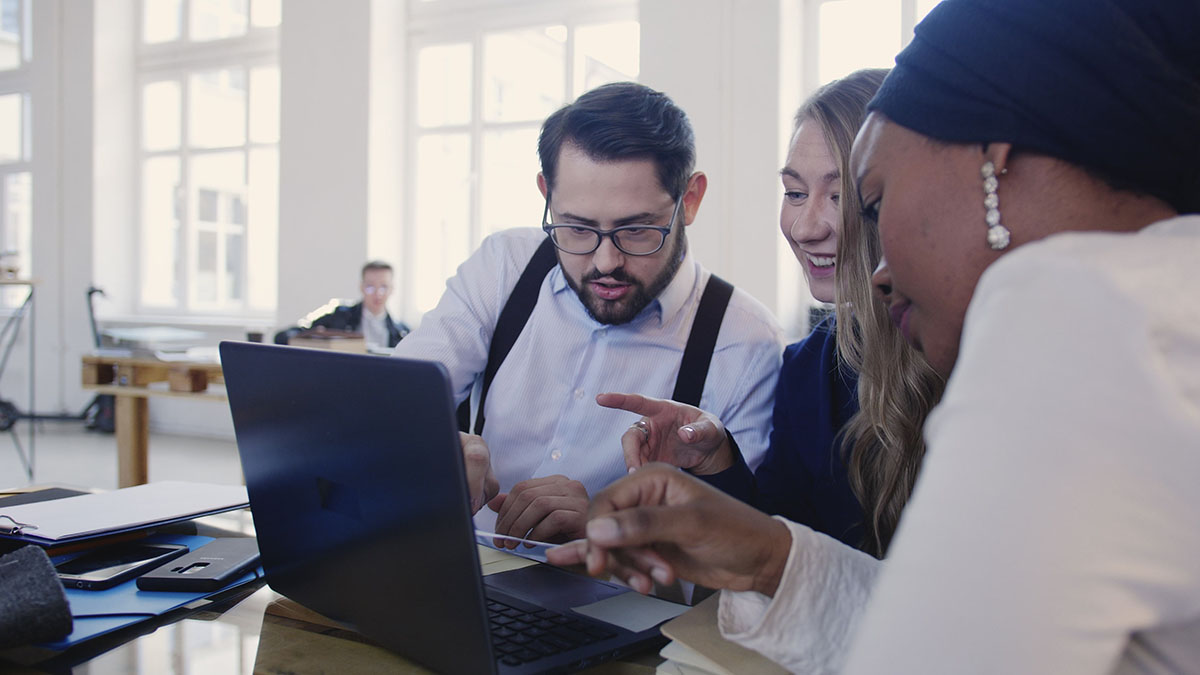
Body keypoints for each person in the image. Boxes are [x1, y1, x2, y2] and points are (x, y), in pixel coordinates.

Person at [549, 0, 1200, 671]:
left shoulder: (1080, 309)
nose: (878, 266)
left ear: (993, 156)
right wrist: (770, 554)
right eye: (795, 193)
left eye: (873, 201)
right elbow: (965, 633)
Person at [393, 82, 783, 545]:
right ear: (546, 193)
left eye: (636, 230)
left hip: (625, 608)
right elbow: (388, 402)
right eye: (576, 228)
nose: (605, 263)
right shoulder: (505, 266)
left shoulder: (746, 345)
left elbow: (736, 556)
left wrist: (615, 530)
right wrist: (425, 443)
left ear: (690, 199)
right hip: (470, 575)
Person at [596, 69, 942, 556]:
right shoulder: (810, 367)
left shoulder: (975, 357)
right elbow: (785, 549)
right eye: (795, 193)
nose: (803, 228)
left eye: (839, 195)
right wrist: (716, 458)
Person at [274, 261, 409, 349]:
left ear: (392, 289)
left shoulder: (401, 332)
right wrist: (314, 337)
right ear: (361, 287)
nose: (378, 294)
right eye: (370, 287)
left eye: (384, 287)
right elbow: (285, 336)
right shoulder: (340, 316)